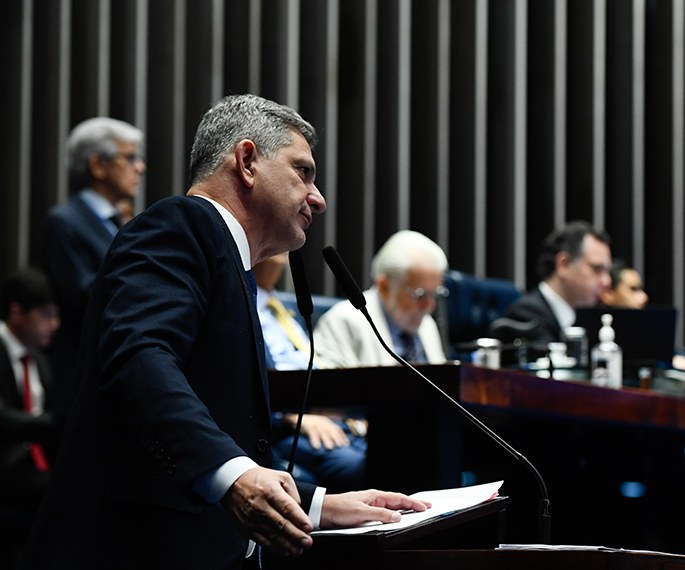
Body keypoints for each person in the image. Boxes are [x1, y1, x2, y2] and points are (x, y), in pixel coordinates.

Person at [21, 94, 429, 568]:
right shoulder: (181, 225)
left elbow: (222, 423)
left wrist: (319, 505)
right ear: (248, 161)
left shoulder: (229, 260)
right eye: (303, 172)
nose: (318, 200)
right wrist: (231, 476)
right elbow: (139, 359)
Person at [38, 117, 146, 424]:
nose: (140, 167)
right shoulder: (64, 222)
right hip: (84, 381)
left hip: (120, 375)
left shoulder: (122, 223)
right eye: (130, 157)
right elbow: (85, 296)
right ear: (98, 165)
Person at [253, 253, 367, 492]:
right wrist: (290, 417)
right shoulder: (240, 306)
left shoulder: (283, 309)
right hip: (285, 427)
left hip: (331, 416)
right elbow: (240, 384)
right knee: (363, 466)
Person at [315, 229, 449, 367]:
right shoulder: (342, 321)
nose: (429, 306)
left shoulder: (426, 324)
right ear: (385, 286)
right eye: (420, 295)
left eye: (435, 294)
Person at [0, 269, 61, 567]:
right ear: (17, 312)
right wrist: (54, 423)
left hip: (33, 469)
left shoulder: (39, 359)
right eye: (46, 314)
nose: (54, 324)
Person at [497, 220, 612, 346]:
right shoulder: (526, 317)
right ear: (564, 265)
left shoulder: (585, 320)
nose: (606, 281)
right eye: (597, 269)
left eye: (607, 271)